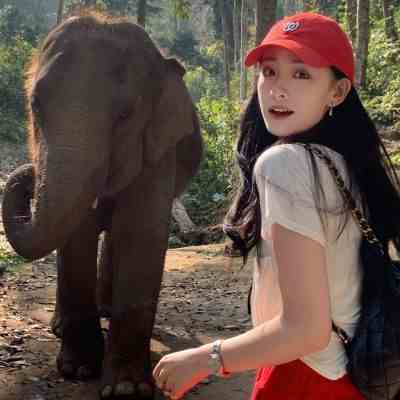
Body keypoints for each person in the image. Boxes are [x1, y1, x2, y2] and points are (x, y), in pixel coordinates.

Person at [152, 12, 400, 400]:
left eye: (301, 74)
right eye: (269, 72)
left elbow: (305, 330)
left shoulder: (285, 164)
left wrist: (205, 358)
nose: (278, 89)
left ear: (337, 92)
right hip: (351, 374)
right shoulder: (346, 165)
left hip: (304, 376)